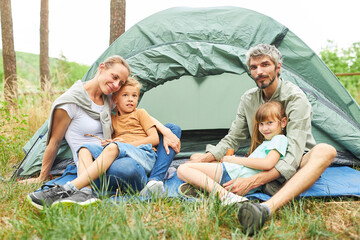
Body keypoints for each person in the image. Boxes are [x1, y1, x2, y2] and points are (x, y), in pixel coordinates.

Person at [189, 44, 337, 234]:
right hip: (260, 161)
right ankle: (217, 189)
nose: (259, 71)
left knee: (326, 151)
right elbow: (233, 137)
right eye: (253, 67)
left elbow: (293, 152)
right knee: (196, 159)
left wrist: (255, 181)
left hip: (297, 161)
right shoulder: (248, 99)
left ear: (278, 67)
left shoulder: (295, 98)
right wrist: (205, 158)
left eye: (265, 65)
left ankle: (265, 209)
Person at [22, 55, 181, 207]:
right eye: (114, 77)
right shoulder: (69, 103)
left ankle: (154, 180)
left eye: (121, 82)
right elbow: (54, 142)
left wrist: (165, 131)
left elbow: (137, 114)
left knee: (172, 129)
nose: (116, 84)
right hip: (99, 162)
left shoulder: (108, 99)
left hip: (117, 152)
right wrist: (42, 177)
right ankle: (83, 189)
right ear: (102, 68)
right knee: (123, 166)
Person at [177, 101, 288, 205]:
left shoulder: (280, 139)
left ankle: (224, 195)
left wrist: (233, 159)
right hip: (233, 170)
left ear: (283, 122)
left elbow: (267, 164)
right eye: (261, 124)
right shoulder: (270, 141)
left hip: (232, 175)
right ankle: (207, 189)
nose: (265, 128)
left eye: (270, 123)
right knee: (195, 157)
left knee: (183, 169)